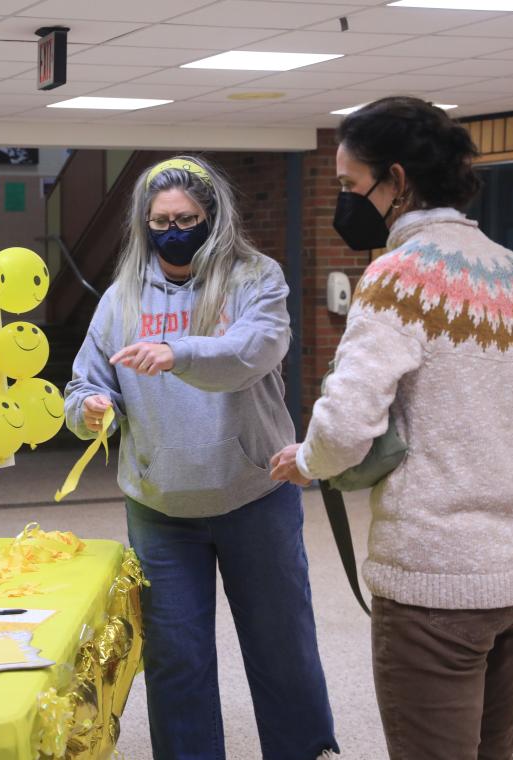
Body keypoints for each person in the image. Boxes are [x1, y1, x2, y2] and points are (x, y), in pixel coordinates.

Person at [271, 97, 513, 760]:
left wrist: (308, 460)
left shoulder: (398, 276)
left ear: (396, 181)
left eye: (349, 185)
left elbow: (345, 423)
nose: (345, 201)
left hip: (439, 582)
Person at [65, 156, 339, 760]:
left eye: (186, 218)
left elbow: (254, 351)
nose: (173, 230)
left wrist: (177, 350)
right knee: (175, 658)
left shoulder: (254, 278)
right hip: (162, 508)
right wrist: (89, 410)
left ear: (211, 217)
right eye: (160, 220)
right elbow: (86, 382)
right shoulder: (121, 297)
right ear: (143, 223)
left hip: (254, 494)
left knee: (280, 646)